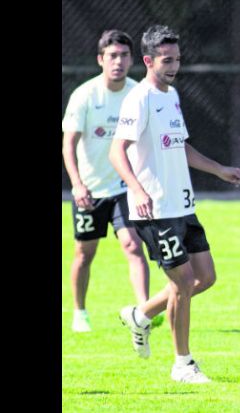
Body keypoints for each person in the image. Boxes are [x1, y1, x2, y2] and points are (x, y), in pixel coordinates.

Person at [109, 25, 240, 383]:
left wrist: (219, 170)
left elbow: (180, 146)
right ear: (149, 60)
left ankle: (141, 315)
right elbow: (116, 151)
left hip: (183, 206)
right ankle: (182, 364)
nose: (174, 66)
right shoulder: (139, 99)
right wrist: (137, 190)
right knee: (184, 283)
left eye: (178, 60)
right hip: (154, 211)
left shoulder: (171, 95)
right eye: (166, 60)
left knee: (206, 277)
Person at [62, 29, 154, 333]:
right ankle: (80, 311)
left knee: (132, 245)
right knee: (84, 253)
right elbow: (68, 143)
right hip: (90, 189)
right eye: (112, 56)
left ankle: (143, 312)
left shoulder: (138, 93)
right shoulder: (85, 95)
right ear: (101, 59)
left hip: (124, 188)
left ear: (132, 60)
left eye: (124, 55)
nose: (118, 61)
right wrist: (77, 184)